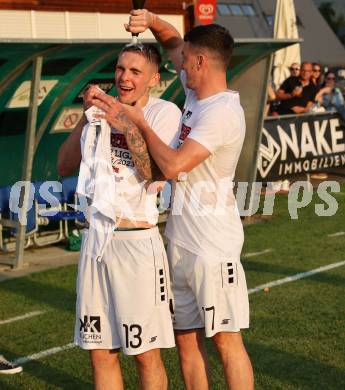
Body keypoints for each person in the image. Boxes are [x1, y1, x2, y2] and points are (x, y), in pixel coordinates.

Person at [93, 10, 254, 390]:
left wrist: (142, 123)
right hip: (180, 239)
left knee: (226, 341)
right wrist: (150, 19)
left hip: (212, 244)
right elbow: (170, 41)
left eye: (185, 59)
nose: (177, 62)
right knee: (185, 339)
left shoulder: (223, 113)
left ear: (201, 62)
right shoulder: (197, 87)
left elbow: (174, 166)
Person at [57, 43, 181, 390]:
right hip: (96, 242)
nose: (124, 77)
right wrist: (86, 116)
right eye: (120, 69)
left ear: (154, 79)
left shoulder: (163, 112)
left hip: (136, 244)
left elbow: (155, 173)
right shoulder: (98, 113)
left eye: (135, 71)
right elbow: (64, 165)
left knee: (144, 354)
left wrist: (125, 124)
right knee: (100, 351)